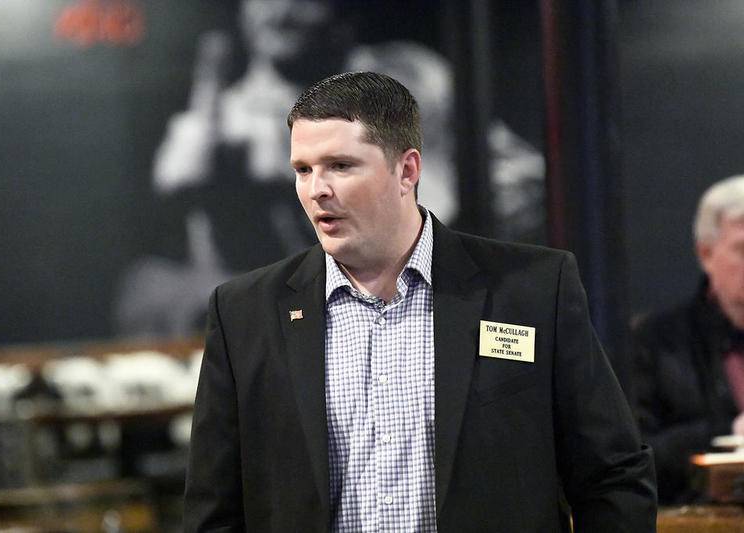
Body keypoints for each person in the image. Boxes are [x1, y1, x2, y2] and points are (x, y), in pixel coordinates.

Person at [184, 72, 656, 532]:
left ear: (407, 170)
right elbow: (215, 510)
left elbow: (612, 477)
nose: (316, 190)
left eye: (340, 166)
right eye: (303, 170)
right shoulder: (244, 312)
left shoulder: (531, 290)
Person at [631, 174, 744, 504]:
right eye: (742, 248)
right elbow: (634, 459)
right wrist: (725, 431)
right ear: (706, 254)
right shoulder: (654, 341)